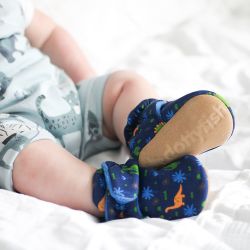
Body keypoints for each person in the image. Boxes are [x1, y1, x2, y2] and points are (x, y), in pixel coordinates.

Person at [0, 0, 234, 221]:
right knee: (20, 155)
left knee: (124, 83)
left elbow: (49, 34)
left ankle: (148, 130)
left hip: (71, 102)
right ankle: (120, 192)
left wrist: (90, 84)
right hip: (16, 128)